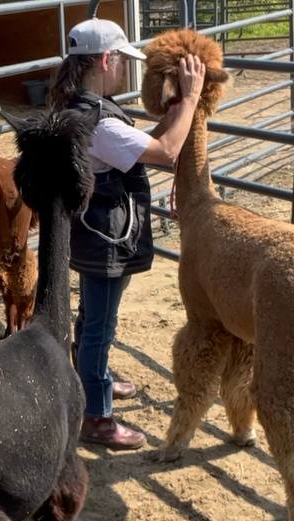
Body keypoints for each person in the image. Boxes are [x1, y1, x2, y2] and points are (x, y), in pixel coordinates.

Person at [47, 17, 206, 450]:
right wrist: (190, 99)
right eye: (123, 62)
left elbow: (130, 147)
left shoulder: (74, 105)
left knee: (92, 318)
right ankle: (96, 416)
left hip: (90, 232)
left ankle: (90, 381)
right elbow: (167, 152)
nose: (126, 71)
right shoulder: (96, 120)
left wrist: (172, 115)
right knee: (100, 325)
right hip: (105, 236)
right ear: (105, 59)